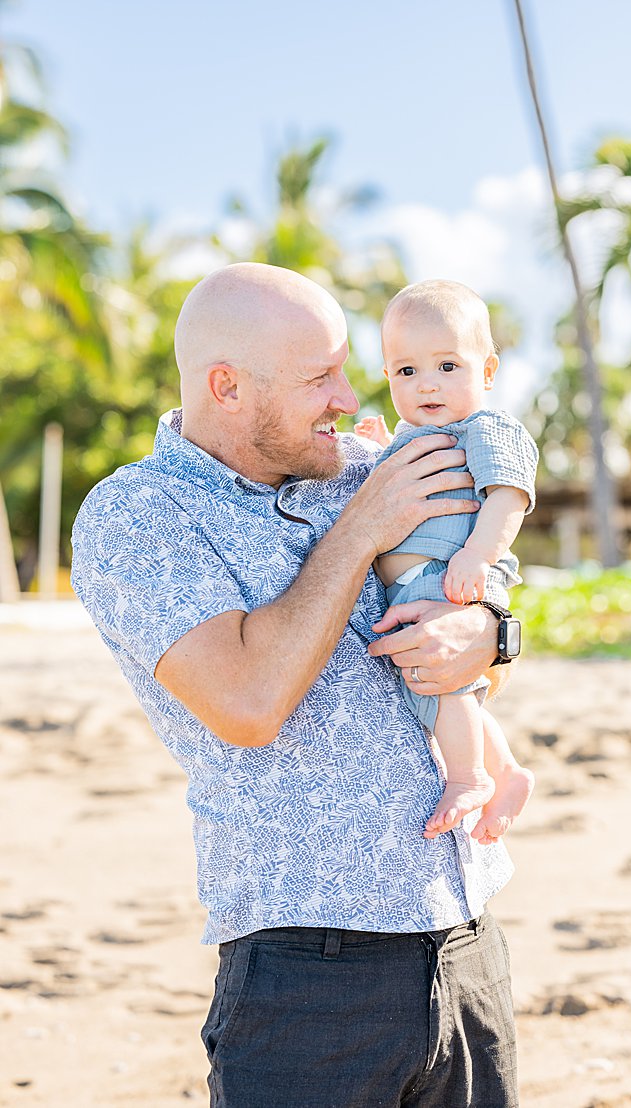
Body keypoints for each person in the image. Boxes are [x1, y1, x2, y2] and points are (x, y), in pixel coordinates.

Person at [71, 262, 521, 1107]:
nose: (350, 400)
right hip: (309, 977)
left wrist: (492, 631)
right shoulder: (136, 515)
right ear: (227, 387)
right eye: (321, 378)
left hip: (467, 943)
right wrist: (357, 535)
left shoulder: (366, 465)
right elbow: (246, 704)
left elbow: (490, 549)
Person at [353, 279, 537, 845]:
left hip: (449, 573)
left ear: (487, 371)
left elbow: (509, 494)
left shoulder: (484, 428)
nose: (427, 383)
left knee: (440, 682)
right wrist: (384, 444)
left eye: (447, 366)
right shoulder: (417, 433)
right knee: (452, 685)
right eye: (406, 371)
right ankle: (506, 774)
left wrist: (477, 555)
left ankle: (468, 777)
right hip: (420, 579)